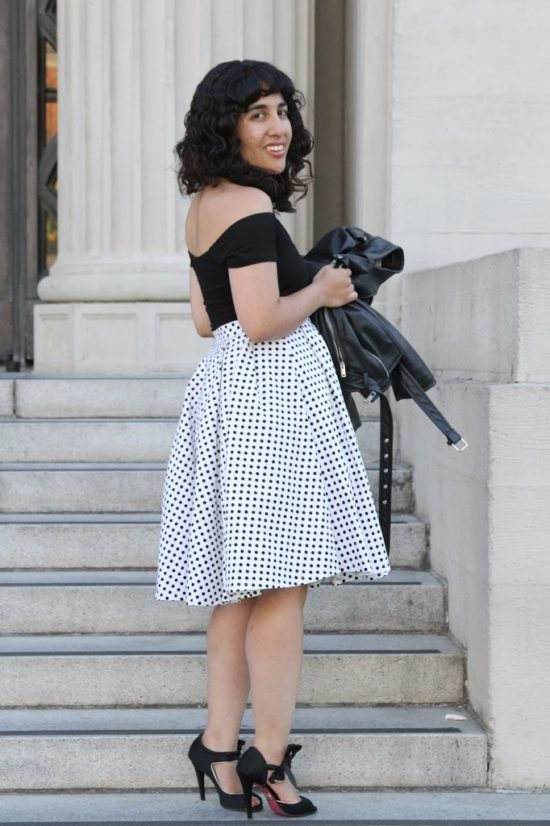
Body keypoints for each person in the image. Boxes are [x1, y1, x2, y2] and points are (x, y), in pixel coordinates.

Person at [155, 59, 390, 819]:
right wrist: (321, 287)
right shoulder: (251, 206)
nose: (278, 126)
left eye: (282, 110)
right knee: (283, 587)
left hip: (233, 388)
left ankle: (220, 747)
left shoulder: (205, 206)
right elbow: (259, 323)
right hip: (267, 396)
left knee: (242, 589)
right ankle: (271, 759)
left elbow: (207, 319)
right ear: (225, 125)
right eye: (257, 113)